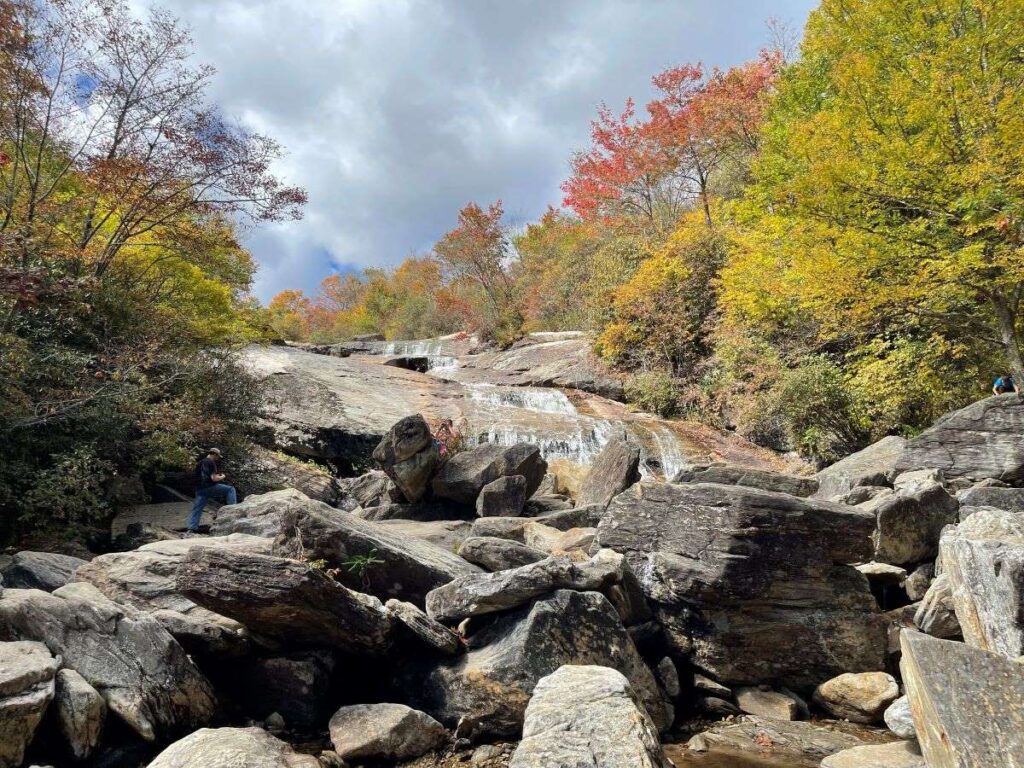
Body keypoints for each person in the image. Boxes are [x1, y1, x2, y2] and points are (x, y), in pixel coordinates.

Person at [187, 448, 237, 534]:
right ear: (214, 454)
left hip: (199, 489)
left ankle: (191, 528)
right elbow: (214, 478)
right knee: (230, 489)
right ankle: (233, 510)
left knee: (197, 509)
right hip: (209, 487)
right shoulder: (211, 462)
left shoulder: (199, 463)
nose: (218, 458)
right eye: (217, 456)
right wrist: (222, 476)